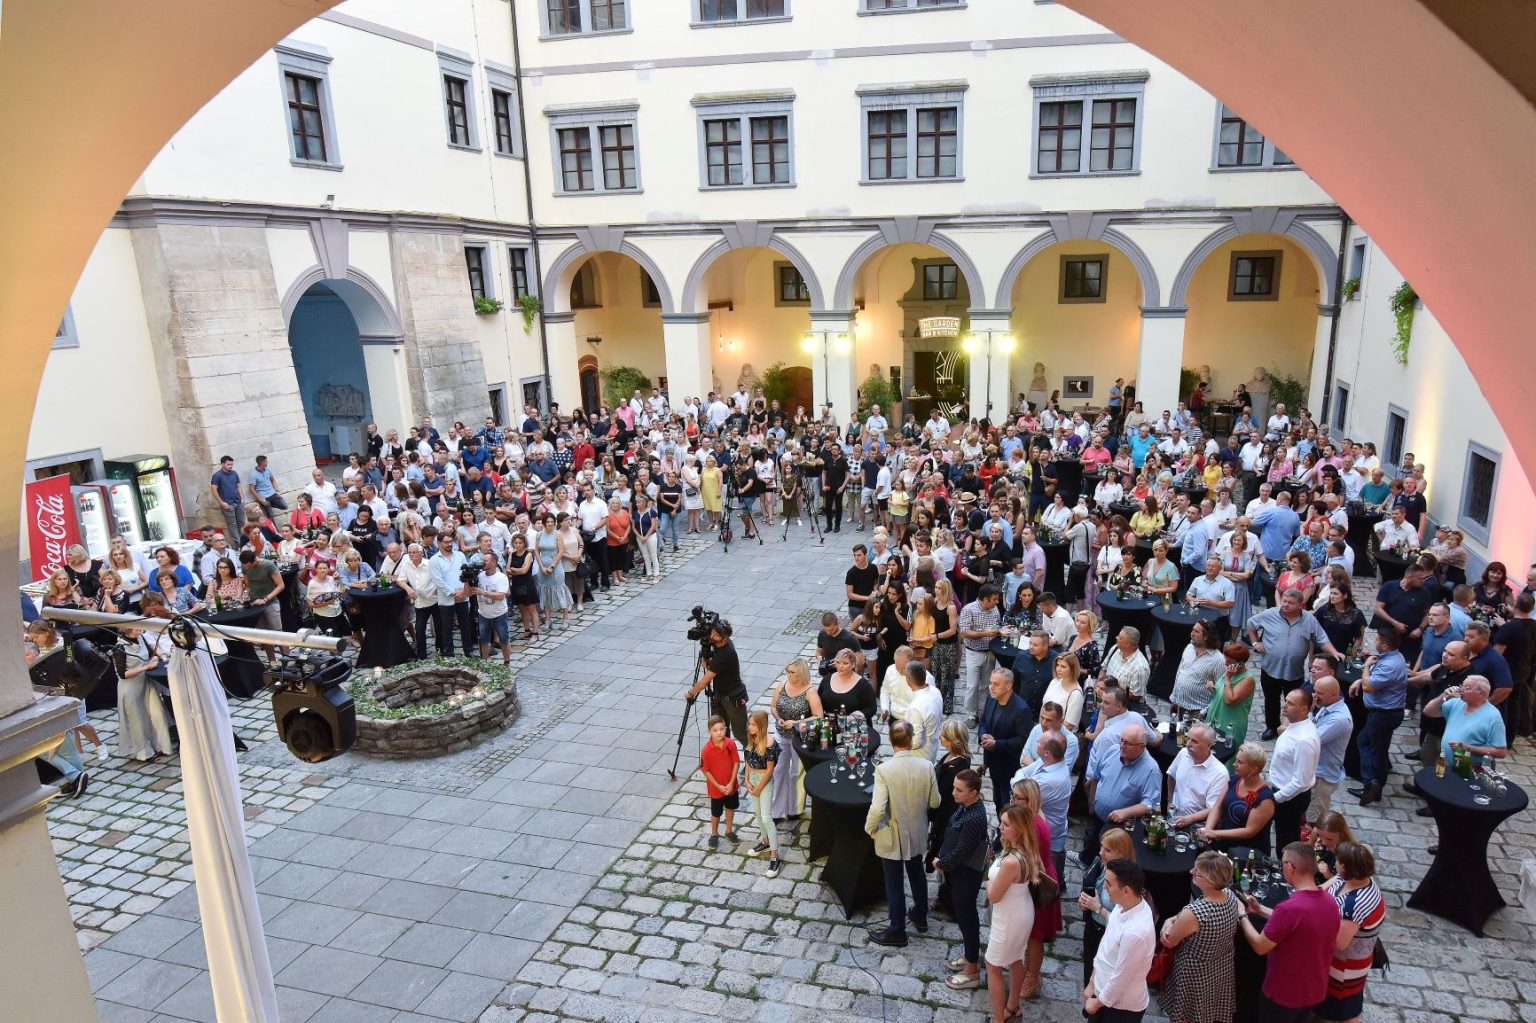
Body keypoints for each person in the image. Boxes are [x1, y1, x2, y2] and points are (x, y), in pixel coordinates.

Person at [1239, 842, 1342, 1023]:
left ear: (1290, 867)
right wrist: (1260, 909)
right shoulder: (1330, 901)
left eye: (1283, 863)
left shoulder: (1289, 908)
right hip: (1314, 990)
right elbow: (1297, 923)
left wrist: (1242, 916)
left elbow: (1260, 946)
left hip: (1284, 994)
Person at [866, 721, 941, 948]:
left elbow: (878, 808)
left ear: (890, 740)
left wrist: (870, 828)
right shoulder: (926, 766)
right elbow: (935, 802)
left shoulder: (884, 770)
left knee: (894, 882)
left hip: (892, 834)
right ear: (911, 740)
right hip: (917, 830)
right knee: (917, 873)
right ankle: (920, 914)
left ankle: (897, 930)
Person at [1247, 589, 1342, 740]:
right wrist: (1255, 642)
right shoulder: (1270, 614)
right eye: (1284, 601)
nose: (1285, 604)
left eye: (1290, 603)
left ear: (1300, 604)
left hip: (1294, 671)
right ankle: (1271, 727)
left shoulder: (1309, 619)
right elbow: (1250, 624)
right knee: (1271, 699)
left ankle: (1292, 728)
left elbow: (1321, 639)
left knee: (1294, 701)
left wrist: (1334, 653)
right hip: (1270, 668)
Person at [1156, 850, 1240, 1023]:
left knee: (1186, 1014)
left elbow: (1169, 941)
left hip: (1194, 972)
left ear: (1210, 880)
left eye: (1197, 872)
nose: (1191, 872)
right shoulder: (1230, 896)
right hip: (1220, 966)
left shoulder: (1194, 913)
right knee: (1207, 1009)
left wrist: (1166, 924)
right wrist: (1174, 919)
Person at [1318, 842, 1386, 1023]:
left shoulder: (1355, 905)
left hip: (1344, 968)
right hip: (1343, 962)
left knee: (1345, 1011)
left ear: (1345, 867)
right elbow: (1323, 889)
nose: (1335, 863)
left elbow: (1340, 943)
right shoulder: (1351, 879)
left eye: (1338, 861)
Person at [986, 804, 1042, 1023]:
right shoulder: (1027, 850)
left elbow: (993, 895)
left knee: (993, 967)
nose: (1001, 827)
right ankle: (1013, 1007)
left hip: (1008, 918)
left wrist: (990, 881)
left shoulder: (1010, 861)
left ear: (1019, 829)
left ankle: (999, 1019)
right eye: (1001, 822)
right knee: (1016, 958)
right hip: (1021, 911)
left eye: (1006, 824)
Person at [1084, 858, 1155, 1023]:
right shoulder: (1123, 905)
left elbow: (1122, 978)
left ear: (1126, 890)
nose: (1104, 887)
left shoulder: (1135, 933)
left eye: (1109, 883)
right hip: (1103, 994)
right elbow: (1105, 948)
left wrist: (1098, 1003)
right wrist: (1092, 982)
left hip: (1120, 1009)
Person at [935, 766, 987, 989]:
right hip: (957, 872)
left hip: (965, 874)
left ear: (973, 793)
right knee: (964, 917)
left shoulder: (975, 817)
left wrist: (941, 863)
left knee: (967, 917)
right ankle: (970, 954)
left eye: (959, 790)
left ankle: (972, 968)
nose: (953, 793)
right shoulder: (967, 807)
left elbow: (963, 851)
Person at [1011, 777, 1063, 1001]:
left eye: (1017, 798)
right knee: (1030, 934)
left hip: (1036, 884)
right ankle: (1028, 969)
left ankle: (1033, 977)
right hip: (1036, 878)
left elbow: (1033, 862)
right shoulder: (1032, 816)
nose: (1013, 801)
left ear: (1029, 800)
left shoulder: (1032, 826)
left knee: (1035, 936)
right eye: (1013, 796)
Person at [1348, 627, 1408, 805]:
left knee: (1366, 744)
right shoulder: (1395, 657)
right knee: (1379, 750)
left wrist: (1366, 667)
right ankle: (1376, 788)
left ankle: (1371, 783)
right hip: (1385, 713)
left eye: (1376, 640)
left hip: (1384, 715)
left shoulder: (1390, 664)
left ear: (1384, 646)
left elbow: (1369, 686)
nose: (1374, 642)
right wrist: (1360, 679)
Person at [1086, 721, 1160, 856]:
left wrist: (1125, 812)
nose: (1122, 746)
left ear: (1142, 747)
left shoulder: (1151, 770)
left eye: (1128, 743)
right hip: (1098, 816)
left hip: (1120, 827)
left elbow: (1150, 804)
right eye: (1121, 740)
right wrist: (1091, 803)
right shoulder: (1113, 751)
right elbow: (1096, 777)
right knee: (1092, 845)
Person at [768, 659, 823, 821]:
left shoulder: (810, 691)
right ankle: (777, 812)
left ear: (801, 674)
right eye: (788, 671)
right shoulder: (782, 685)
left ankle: (795, 809)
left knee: (796, 773)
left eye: (792, 672)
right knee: (778, 771)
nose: (788, 674)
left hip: (800, 738)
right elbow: (773, 707)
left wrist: (796, 723)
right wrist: (778, 718)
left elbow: (819, 717)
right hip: (781, 735)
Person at [1202, 741, 1277, 854]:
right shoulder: (1234, 779)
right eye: (1236, 760)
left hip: (1246, 853)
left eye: (1240, 762)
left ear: (1254, 769)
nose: (1234, 764)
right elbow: (1218, 807)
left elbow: (1249, 831)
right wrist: (1208, 830)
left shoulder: (1264, 799)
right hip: (1223, 843)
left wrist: (1214, 833)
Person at [1270, 688, 1321, 848]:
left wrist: (1275, 799)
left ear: (1304, 709)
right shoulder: (1296, 726)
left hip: (1290, 798)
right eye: (1286, 701)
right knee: (1281, 833)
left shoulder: (1304, 740)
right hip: (1283, 792)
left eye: (1290, 703)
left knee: (1286, 841)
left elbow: (1300, 782)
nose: (1284, 705)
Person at [686, 619, 749, 743]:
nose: (712, 636)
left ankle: (756, 754)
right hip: (720, 695)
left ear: (725, 639)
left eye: (716, 635)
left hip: (733, 699)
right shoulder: (718, 643)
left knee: (741, 733)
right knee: (720, 731)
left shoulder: (724, 654)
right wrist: (706, 659)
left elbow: (703, 683)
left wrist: (690, 693)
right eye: (712, 632)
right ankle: (724, 754)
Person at [977, 668, 1031, 812]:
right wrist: (983, 735)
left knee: (1008, 804)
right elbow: (983, 722)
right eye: (991, 683)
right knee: (997, 800)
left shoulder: (1021, 709)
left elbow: (1023, 740)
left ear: (1008, 686)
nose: (991, 687)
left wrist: (997, 744)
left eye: (996, 684)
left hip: (1009, 767)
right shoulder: (991, 699)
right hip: (993, 763)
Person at [1424, 674, 1508, 764]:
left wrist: (1468, 748)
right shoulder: (1457, 703)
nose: (1461, 690)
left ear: (1481, 693)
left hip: (1470, 768)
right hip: (1447, 762)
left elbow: (1501, 752)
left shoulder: (1493, 717)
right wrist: (1443, 696)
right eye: (1462, 686)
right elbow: (1428, 711)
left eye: (1467, 688)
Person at [740, 710, 783, 879]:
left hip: (765, 781)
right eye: (749, 724)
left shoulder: (770, 744)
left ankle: (775, 856)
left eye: (753, 724)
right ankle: (765, 841)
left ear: (762, 726)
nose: (749, 727)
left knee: (766, 817)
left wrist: (758, 787)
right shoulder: (751, 739)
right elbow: (748, 761)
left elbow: (770, 770)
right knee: (757, 813)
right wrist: (747, 780)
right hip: (753, 778)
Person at [1167, 723, 1229, 828]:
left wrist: (1189, 819)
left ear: (1209, 745)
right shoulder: (1183, 753)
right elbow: (1171, 775)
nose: (1188, 744)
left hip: (1196, 824)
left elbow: (1214, 808)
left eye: (1194, 741)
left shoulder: (1219, 774)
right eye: (1188, 739)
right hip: (1174, 816)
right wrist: (1170, 800)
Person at [1310, 671, 1353, 823]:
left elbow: (1311, 740)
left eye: (1319, 693)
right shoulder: (1327, 706)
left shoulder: (1339, 719)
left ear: (1334, 694)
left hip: (1323, 776)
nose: (1315, 696)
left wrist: (1308, 711)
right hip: (1316, 770)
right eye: (1315, 691)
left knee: (1314, 819)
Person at [957, 584, 1003, 719]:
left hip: (990, 653)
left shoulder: (995, 610)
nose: (997, 602)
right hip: (974, 653)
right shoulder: (968, 609)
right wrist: (985, 633)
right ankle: (970, 715)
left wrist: (1000, 631)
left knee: (986, 686)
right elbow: (964, 633)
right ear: (985, 599)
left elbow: (996, 627)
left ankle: (983, 713)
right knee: (972, 686)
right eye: (994, 599)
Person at [700, 716, 740, 851]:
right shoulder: (706, 750)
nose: (719, 732)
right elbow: (706, 771)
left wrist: (731, 782)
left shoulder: (730, 744)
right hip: (716, 789)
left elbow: (736, 763)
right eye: (715, 730)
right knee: (716, 813)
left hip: (731, 786)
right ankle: (714, 834)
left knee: (730, 808)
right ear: (709, 732)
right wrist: (718, 786)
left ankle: (729, 831)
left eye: (721, 729)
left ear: (726, 729)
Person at [1207, 643, 1257, 751]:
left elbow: (1229, 700)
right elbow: (1222, 693)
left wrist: (1227, 679)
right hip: (1216, 719)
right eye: (1225, 659)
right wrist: (1213, 688)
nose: (1225, 663)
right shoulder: (1229, 672)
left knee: (1227, 753)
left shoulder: (1247, 680)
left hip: (1230, 725)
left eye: (1229, 661)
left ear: (1240, 663)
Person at [1169, 620, 1225, 715]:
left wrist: (1204, 713)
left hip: (1198, 712)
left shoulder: (1218, 660)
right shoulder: (1189, 648)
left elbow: (1220, 691)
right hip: (1180, 707)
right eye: (1192, 630)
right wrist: (1174, 700)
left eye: (1196, 631)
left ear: (1206, 637)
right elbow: (1179, 673)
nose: (1192, 633)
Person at [473, 551, 513, 665]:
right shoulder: (479, 576)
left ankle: (506, 662)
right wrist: (467, 580)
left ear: (494, 562)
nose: (482, 563)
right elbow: (468, 592)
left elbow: (501, 596)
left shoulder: (501, 577)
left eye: (485, 561)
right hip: (483, 613)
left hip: (499, 613)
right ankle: (484, 663)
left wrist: (483, 592)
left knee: (504, 639)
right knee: (483, 639)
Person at [1100, 627, 1150, 702]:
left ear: (1128, 644)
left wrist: (1112, 692)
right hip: (1106, 698)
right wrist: (1100, 684)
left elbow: (1136, 696)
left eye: (1120, 638)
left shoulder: (1140, 668)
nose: (1116, 638)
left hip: (1124, 704)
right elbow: (1103, 668)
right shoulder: (1115, 649)